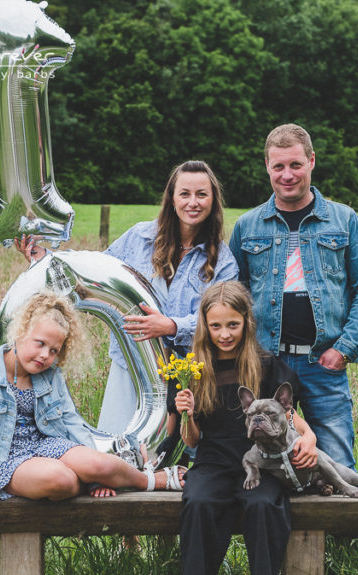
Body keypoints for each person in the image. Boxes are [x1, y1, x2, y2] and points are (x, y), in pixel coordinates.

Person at [15, 160, 239, 437]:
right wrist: (46, 260)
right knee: (118, 445)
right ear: (171, 198)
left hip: (189, 373)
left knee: (172, 454)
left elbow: (224, 318)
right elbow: (93, 272)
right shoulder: (139, 237)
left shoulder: (223, 262)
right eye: (185, 194)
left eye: (202, 194)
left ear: (214, 200)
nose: (193, 202)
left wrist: (171, 326)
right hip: (130, 363)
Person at [166, 281, 319, 575]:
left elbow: (290, 417)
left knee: (264, 504)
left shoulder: (264, 365)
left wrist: (310, 439)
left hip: (262, 462)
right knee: (198, 502)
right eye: (216, 326)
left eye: (232, 325)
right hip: (214, 460)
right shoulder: (191, 369)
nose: (224, 334)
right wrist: (185, 410)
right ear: (204, 324)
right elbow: (193, 439)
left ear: (246, 322)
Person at [228, 124, 358, 475]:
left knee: (338, 459)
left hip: (322, 364)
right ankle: (276, 530)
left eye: (295, 164)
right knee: (267, 458)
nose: (287, 175)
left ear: (311, 161)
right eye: (278, 166)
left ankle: (349, 531)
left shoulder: (343, 220)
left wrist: (344, 349)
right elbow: (233, 295)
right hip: (266, 363)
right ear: (267, 167)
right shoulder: (248, 226)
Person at [0, 291, 185, 509]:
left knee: (102, 465)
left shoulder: (51, 377)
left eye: (54, 351)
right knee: (62, 480)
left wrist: (96, 477)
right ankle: (85, 480)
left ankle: (148, 480)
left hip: (47, 446)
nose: (45, 356)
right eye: (40, 343)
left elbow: (72, 422)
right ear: (19, 332)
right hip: (4, 459)